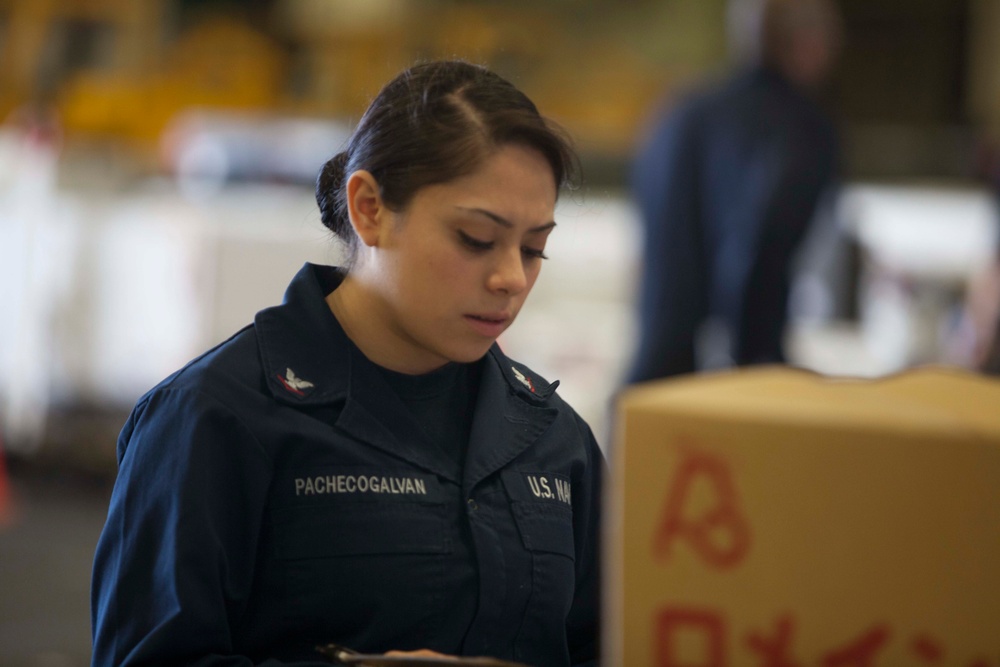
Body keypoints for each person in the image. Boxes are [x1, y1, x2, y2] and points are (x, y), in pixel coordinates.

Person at [91, 60, 603, 666]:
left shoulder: (554, 440)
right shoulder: (216, 419)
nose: (511, 278)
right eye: (474, 238)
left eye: (534, 248)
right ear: (369, 209)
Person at [625, 0, 842, 383]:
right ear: (809, 43)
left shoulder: (680, 113)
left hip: (652, 379)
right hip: (734, 382)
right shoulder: (802, 127)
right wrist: (759, 367)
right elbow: (758, 253)